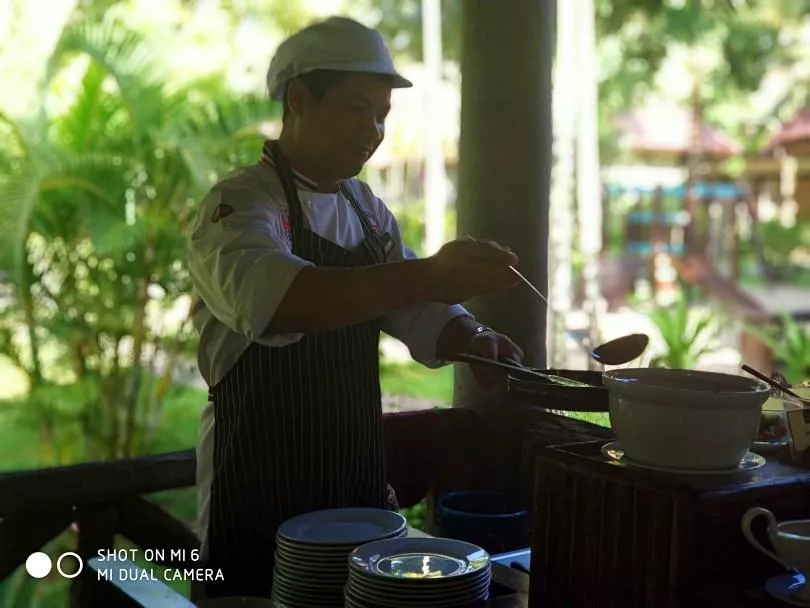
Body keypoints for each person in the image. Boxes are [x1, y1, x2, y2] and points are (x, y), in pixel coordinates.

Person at [187, 15, 525, 599]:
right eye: (356, 108)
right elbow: (282, 301)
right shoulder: (240, 205)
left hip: (354, 477)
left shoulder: (367, 209)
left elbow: (415, 309)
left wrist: (472, 339)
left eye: (382, 116)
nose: (373, 131)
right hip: (255, 480)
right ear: (298, 100)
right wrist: (428, 274)